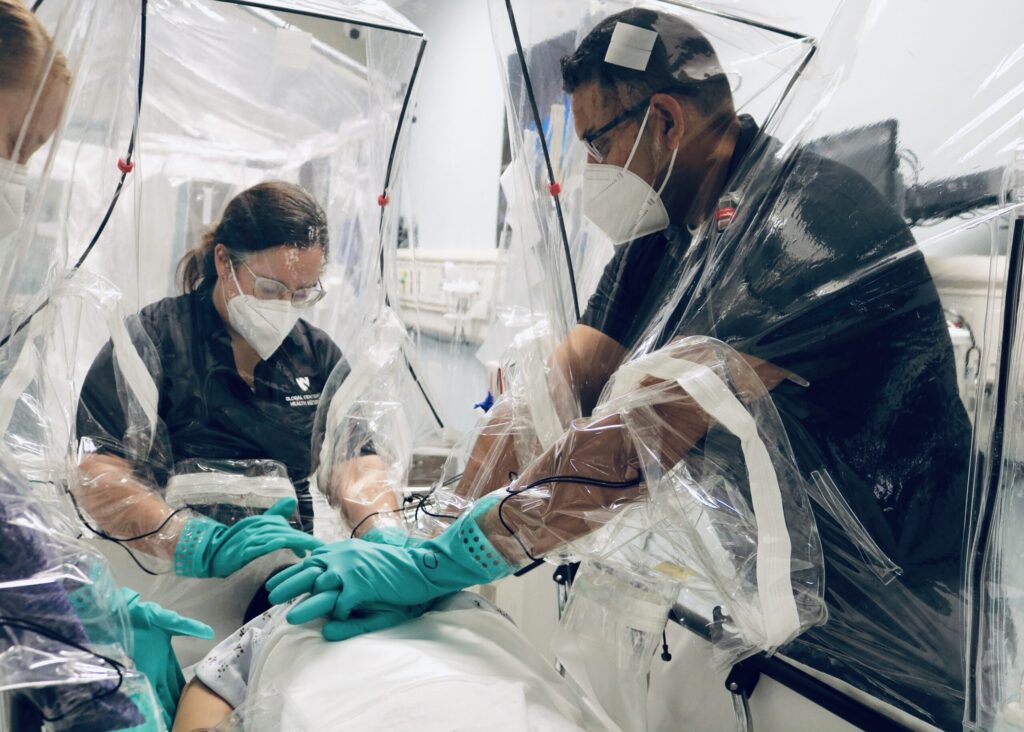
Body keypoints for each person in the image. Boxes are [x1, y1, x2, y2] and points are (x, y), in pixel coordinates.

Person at [268, 7, 972, 729]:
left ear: (664, 120)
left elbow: (650, 427)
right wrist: (430, 529)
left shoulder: (804, 218)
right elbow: (559, 387)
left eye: (595, 142)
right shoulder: (664, 236)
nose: (591, 170)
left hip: (886, 618)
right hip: (776, 591)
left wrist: (457, 558)